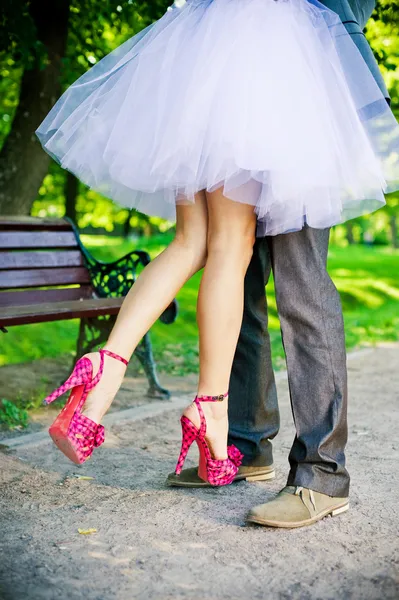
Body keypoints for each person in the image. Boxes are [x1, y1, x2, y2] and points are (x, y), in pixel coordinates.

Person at [38, 0, 399, 516]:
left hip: (240, 59)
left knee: (267, 271)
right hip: (273, 53)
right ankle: (237, 436)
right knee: (234, 257)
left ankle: (320, 474)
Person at [167, 0, 394, 528]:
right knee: (236, 272)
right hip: (239, 81)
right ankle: (247, 443)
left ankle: (322, 474)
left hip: (312, 79)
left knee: (300, 282)